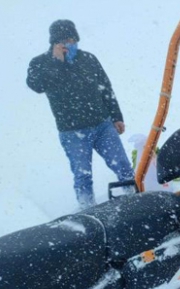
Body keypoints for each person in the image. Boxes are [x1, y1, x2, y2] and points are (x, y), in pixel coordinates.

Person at [27, 20, 134, 210]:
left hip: (102, 125)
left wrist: (117, 117)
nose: (70, 43)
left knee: (123, 166)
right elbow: (36, 86)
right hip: (72, 132)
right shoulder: (40, 63)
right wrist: (56, 62)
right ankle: (88, 210)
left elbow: (106, 89)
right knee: (83, 175)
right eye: (64, 40)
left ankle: (135, 201)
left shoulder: (88, 59)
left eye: (72, 39)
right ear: (54, 42)